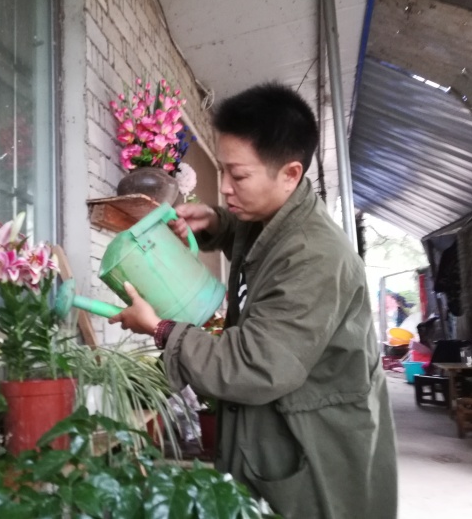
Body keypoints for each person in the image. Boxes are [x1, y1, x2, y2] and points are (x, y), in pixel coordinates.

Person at [109, 83, 398, 519]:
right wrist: (215, 223)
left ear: (291, 174)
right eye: (222, 172)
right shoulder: (275, 217)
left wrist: (159, 328)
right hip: (277, 428)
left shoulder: (315, 257)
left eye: (238, 176)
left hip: (314, 447)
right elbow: (259, 244)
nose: (225, 188)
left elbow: (252, 364)